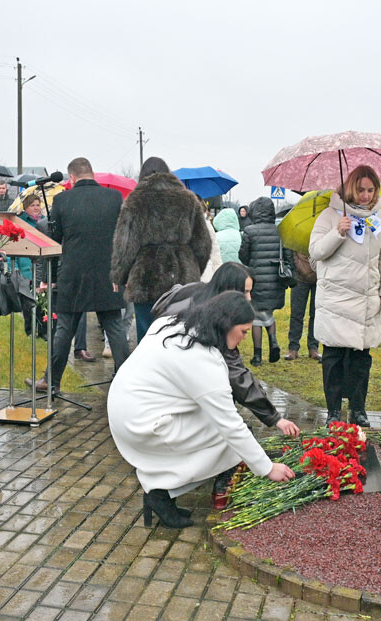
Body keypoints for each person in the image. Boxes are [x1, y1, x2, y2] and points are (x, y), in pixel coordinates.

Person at [108, 292, 295, 528]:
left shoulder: (174, 323)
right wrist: (267, 468)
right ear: (226, 325)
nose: (245, 338)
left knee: (215, 426)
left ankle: (161, 493)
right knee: (230, 440)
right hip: (143, 423)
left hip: (123, 409)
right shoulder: (203, 360)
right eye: (244, 331)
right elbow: (230, 425)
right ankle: (161, 492)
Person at [151, 262, 302, 508]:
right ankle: (220, 486)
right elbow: (237, 376)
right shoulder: (214, 320)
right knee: (231, 430)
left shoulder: (194, 292)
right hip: (173, 401)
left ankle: (162, 488)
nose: (248, 299)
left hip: (159, 389)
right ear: (228, 290)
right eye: (244, 292)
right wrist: (275, 418)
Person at [26, 157, 131, 395]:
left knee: (64, 330)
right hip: (107, 274)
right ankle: (127, 381)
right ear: (91, 174)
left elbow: (55, 242)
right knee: (114, 327)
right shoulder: (114, 198)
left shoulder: (62, 200)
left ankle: (51, 381)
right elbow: (123, 237)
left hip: (73, 274)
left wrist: (50, 277)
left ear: (71, 177)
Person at [309, 165, 381, 429]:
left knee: (361, 360)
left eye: (371, 190)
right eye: (360, 190)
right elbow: (316, 252)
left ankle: (358, 409)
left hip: (365, 299)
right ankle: (334, 410)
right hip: (335, 299)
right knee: (334, 357)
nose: (365, 195)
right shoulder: (329, 215)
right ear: (350, 188)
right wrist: (337, 232)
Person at [110, 157, 212, 342]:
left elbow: (124, 246)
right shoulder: (188, 199)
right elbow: (203, 244)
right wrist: (194, 269)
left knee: (147, 336)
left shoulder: (135, 201)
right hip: (183, 277)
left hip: (145, 278)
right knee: (181, 335)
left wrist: (121, 276)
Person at [239, 197, 291, 366]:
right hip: (276, 280)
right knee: (268, 312)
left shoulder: (249, 231)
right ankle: (273, 340)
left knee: (256, 316)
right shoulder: (281, 231)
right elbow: (288, 255)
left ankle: (257, 356)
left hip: (257, 279)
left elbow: (243, 256)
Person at [285, 248, 320, 361]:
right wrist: (295, 266)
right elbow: (289, 249)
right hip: (300, 278)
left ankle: (313, 347)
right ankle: (293, 348)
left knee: (316, 314)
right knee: (296, 314)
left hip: (319, 278)